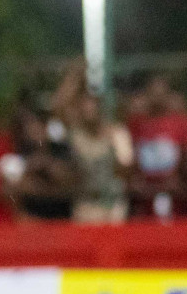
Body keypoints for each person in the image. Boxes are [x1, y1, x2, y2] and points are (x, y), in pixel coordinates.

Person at [54, 64, 133, 225]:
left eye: (93, 103)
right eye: (85, 104)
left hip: (114, 206)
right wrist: (74, 76)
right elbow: (59, 108)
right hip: (85, 206)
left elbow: (126, 167)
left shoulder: (117, 133)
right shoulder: (76, 134)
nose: (89, 108)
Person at [128, 75, 187, 219]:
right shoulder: (137, 124)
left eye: (161, 93)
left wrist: (181, 181)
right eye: (154, 93)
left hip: (175, 195)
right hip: (145, 195)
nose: (157, 98)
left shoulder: (181, 123)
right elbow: (131, 155)